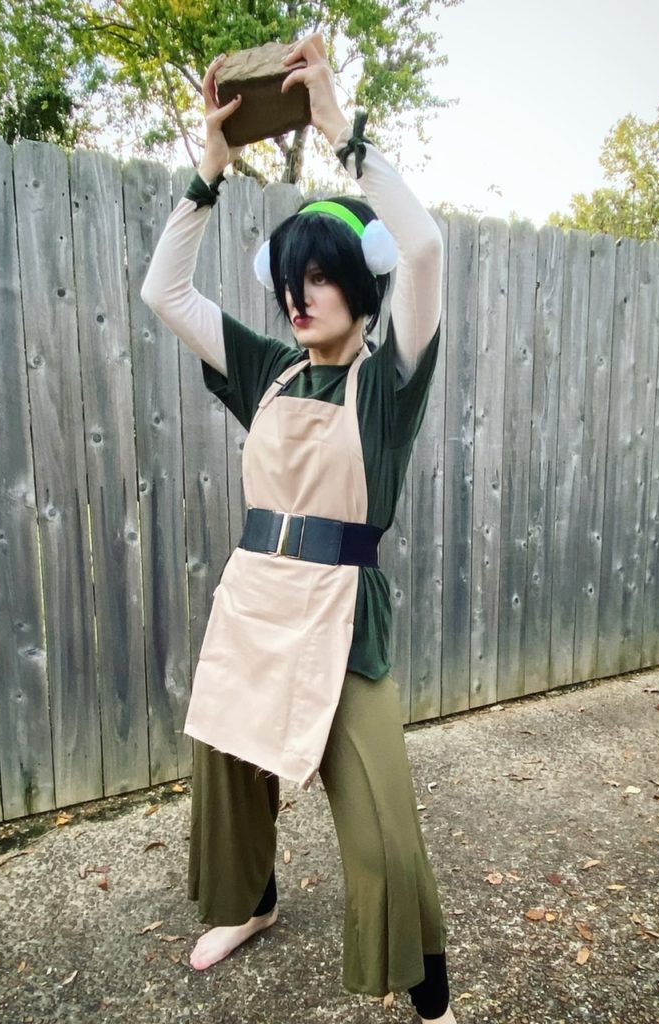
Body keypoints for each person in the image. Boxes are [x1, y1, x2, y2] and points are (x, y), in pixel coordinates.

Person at [141, 33, 456, 1024]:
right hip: (253, 600)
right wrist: (209, 168)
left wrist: (340, 131)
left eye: (316, 276)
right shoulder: (266, 367)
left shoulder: (390, 378)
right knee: (227, 770)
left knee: (381, 832)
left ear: (355, 287)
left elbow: (425, 248)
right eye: (288, 277)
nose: (297, 293)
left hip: (342, 612)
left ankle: (430, 992)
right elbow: (164, 293)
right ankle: (251, 903)